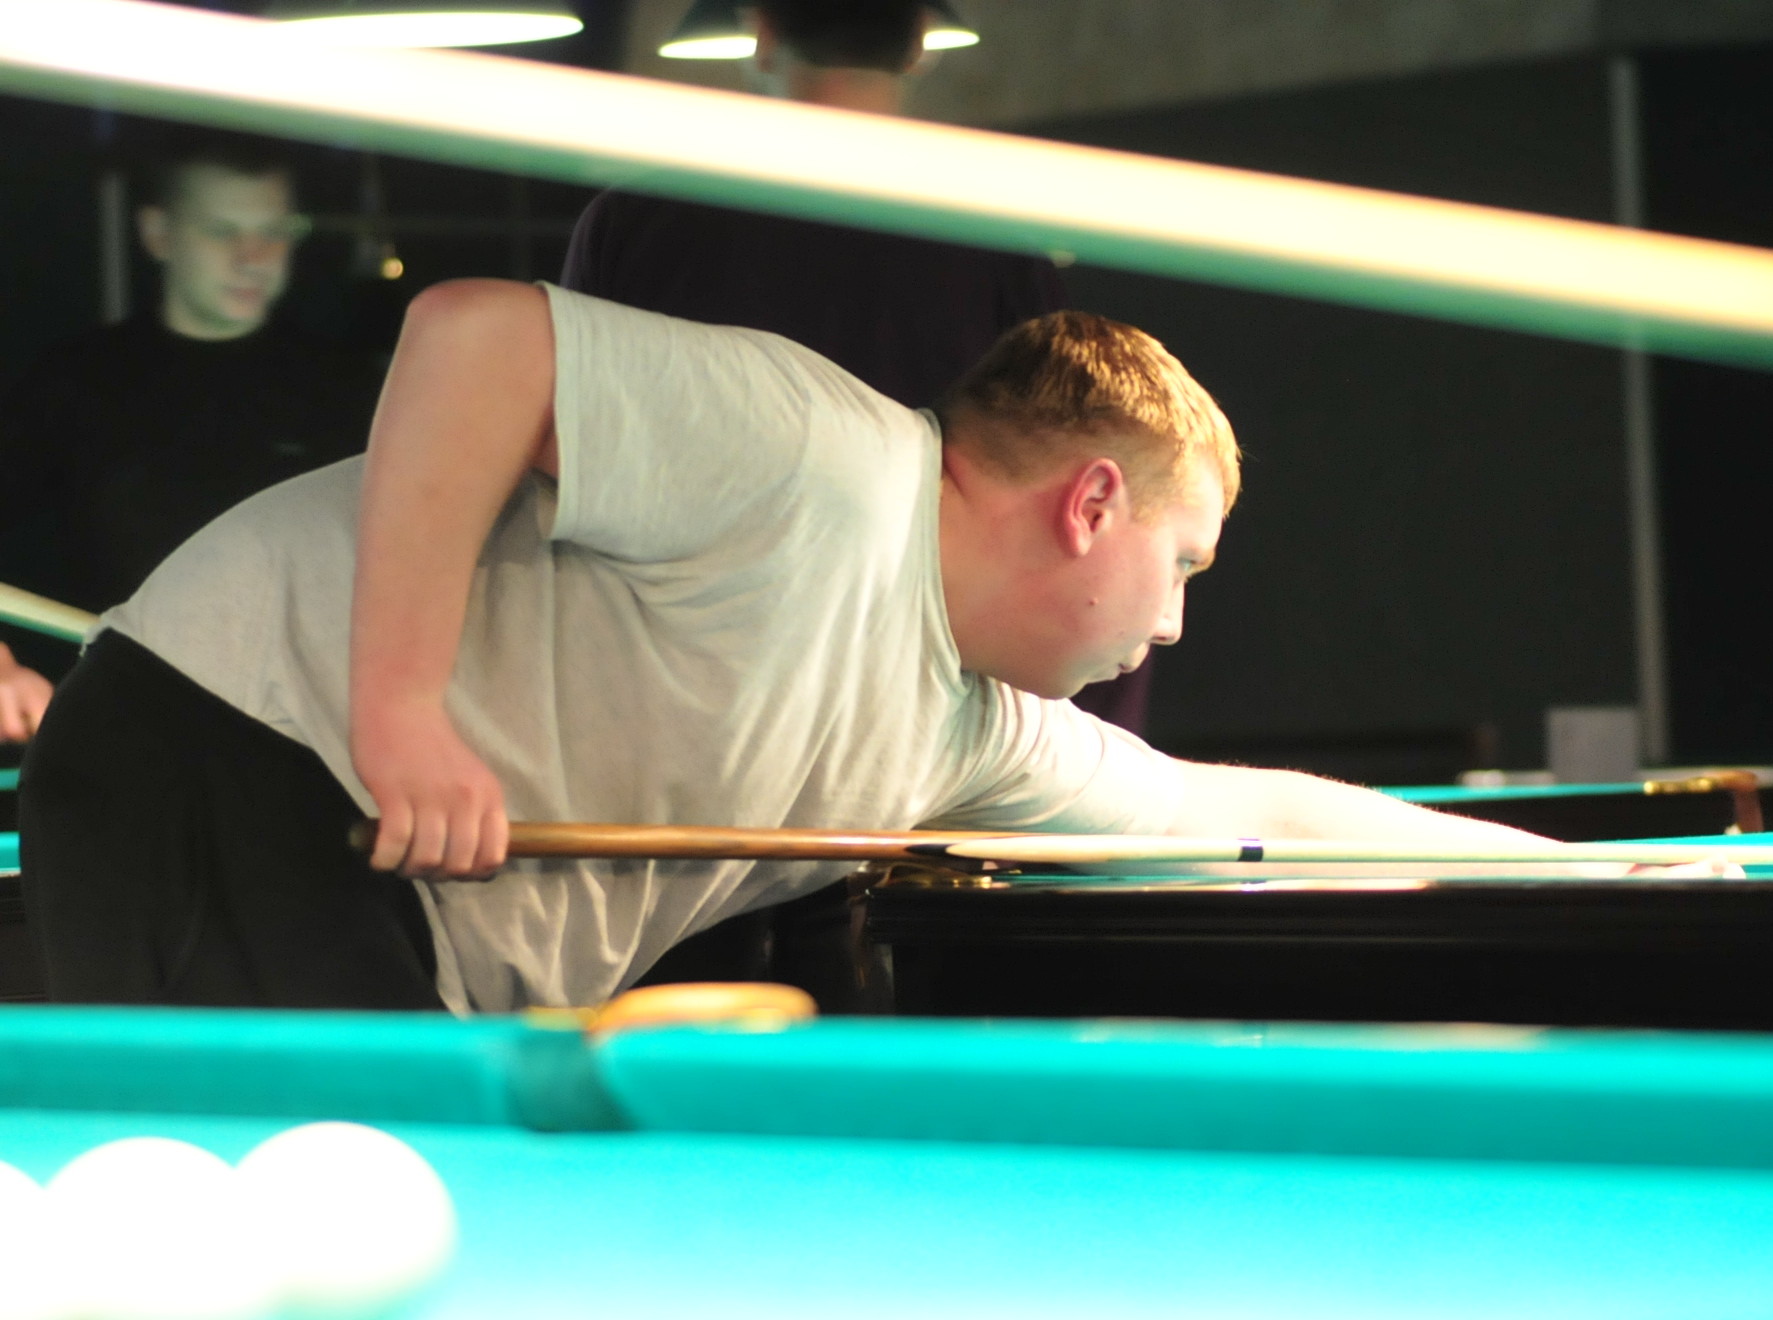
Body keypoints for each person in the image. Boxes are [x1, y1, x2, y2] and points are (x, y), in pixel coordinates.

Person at [19, 280, 1672, 1013]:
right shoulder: (822, 454)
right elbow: (472, 340)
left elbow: (1242, 808)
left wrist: (1608, 875)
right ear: (1091, 502)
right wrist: (401, 711)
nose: (1171, 620)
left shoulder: (968, 728)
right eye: (1181, 564)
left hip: (352, 879)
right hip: (234, 745)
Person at [558, 0, 1155, 731]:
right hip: (927, 691)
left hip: (689, 678)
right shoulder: (996, 236)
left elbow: (575, 441)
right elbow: (1067, 464)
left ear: (762, 35)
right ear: (920, 46)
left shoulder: (638, 219)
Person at [0, 132, 378, 742]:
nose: (253, 257)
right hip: (111, 727)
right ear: (158, 234)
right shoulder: (75, 384)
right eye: (223, 232)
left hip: (297, 736)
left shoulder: (349, 394)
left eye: (274, 231)